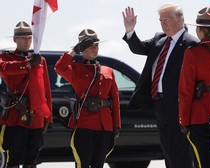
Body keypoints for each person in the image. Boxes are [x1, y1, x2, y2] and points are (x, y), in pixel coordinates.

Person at [122, 4, 198, 168]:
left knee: (181, 152)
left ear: (180, 20)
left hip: (179, 106)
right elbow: (138, 48)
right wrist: (130, 30)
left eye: (167, 19)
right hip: (160, 104)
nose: (163, 23)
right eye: (160, 20)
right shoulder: (159, 39)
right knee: (168, 150)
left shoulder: (191, 44)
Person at [54, 29, 121, 168]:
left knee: (99, 164)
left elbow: (115, 100)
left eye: (96, 45)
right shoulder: (75, 69)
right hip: (84, 124)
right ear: (82, 49)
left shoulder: (107, 71)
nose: (94, 48)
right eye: (90, 46)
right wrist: (74, 51)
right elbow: (59, 68)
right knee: (82, 163)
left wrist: (116, 125)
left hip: (105, 125)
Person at [178, 7, 210, 168]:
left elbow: (185, 91)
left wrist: (184, 121)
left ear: (198, 30)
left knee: (203, 163)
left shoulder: (192, 53)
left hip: (200, 117)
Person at [0, 21, 52, 168]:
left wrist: (48, 116)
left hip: (36, 116)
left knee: (32, 160)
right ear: (15, 39)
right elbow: (4, 69)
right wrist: (28, 64)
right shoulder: (6, 58)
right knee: (14, 159)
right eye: (23, 38)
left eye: (29, 37)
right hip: (16, 116)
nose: (26, 40)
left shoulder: (40, 60)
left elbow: (46, 90)